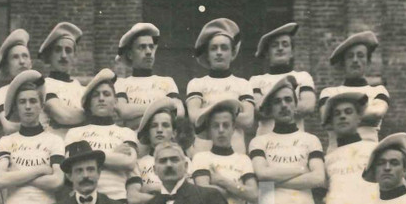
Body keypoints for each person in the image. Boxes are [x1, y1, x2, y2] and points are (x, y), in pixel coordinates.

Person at [249, 75, 326, 204]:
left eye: (288, 100)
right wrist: (302, 169)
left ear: (295, 104)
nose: (283, 105)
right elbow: (262, 174)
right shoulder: (259, 142)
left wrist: (275, 177)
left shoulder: (311, 140)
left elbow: (318, 177)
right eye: (277, 101)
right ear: (271, 108)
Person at [0, 69, 65, 204]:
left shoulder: (54, 140)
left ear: (42, 106)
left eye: (33, 101)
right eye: (22, 101)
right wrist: (40, 170)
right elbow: (1, 179)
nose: (28, 106)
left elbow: (57, 181)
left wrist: (18, 175)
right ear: (16, 106)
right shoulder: (6, 141)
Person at [64, 68, 139, 202]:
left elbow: (129, 162)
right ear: (89, 103)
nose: (101, 98)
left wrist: (89, 156)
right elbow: (72, 164)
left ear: (115, 102)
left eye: (106, 94)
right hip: (84, 200)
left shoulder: (126, 133)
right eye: (96, 95)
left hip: (118, 200)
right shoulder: (75, 133)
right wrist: (114, 155)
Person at [190, 99, 258, 204]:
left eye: (226, 125)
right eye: (216, 126)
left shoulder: (243, 159)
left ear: (234, 128)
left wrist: (222, 181)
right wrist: (239, 190)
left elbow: (253, 194)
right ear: (209, 129)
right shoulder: (201, 158)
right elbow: (204, 194)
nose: (221, 130)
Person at [185, 18, 255, 155]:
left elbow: (248, 119)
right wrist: (230, 113)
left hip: (235, 152)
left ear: (232, 53)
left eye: (224, 48)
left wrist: (207, 112)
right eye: (213, 48)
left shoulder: (243, 84)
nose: (219, 52)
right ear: (208, 54)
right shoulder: (196, 84)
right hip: (203, 151)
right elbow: (194, 116)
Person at [113, 22, 185, 142]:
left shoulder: (167, 81)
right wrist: (164, 105)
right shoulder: (121, 83)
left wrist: (136, 113)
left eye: (151, 47)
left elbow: (179, 112)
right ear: (130, 54)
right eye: (142, 47)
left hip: (162, 144)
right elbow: (124, 111)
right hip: (133, 142)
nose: (148, 51)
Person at [318, 31, 390, 150]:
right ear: (343, 63)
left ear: (368, 62)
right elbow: (326, 117)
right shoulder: (329, 93)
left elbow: (377, 112)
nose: (355, 60)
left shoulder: (378, 91)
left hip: (368, 155)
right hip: (337, 157)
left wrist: (340, 114)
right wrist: (364, 115)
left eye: (360, 55)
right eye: (350, 56)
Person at [250, 22, 317, 138]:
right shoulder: (256, 81)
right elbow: (257, 110)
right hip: (266, 142)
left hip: (296, 141)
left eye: (285, 44)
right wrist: (290, 108)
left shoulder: (302, 77)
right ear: (267, 53)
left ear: (292, 52)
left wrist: (270, 107)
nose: (280, 48)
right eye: (275, 45)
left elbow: (308, 106)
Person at [125, 98, 190, 204]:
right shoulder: (138, 164)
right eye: (154, 126)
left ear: (174, 133)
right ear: (148, 133)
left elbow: (191, 195)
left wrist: (150, 189)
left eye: (165, 125)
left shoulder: (184, 160)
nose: (159, 130)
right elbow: (134, 198)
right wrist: (168, 198)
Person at [38, 21, 87, 139]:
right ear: (50, 55)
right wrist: (92, 114)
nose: (63, 55)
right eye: (58, 50)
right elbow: (63, 116)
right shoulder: (44, 85)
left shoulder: (81, 88)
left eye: (68, 50)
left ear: (74, 56)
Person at [0, 29, 40, 136]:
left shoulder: (41, 88)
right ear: (7, 67)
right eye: (15, 57)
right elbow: (9, 127)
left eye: (25, 56)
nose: (22, 61)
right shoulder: (3, 93)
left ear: (30, 63)